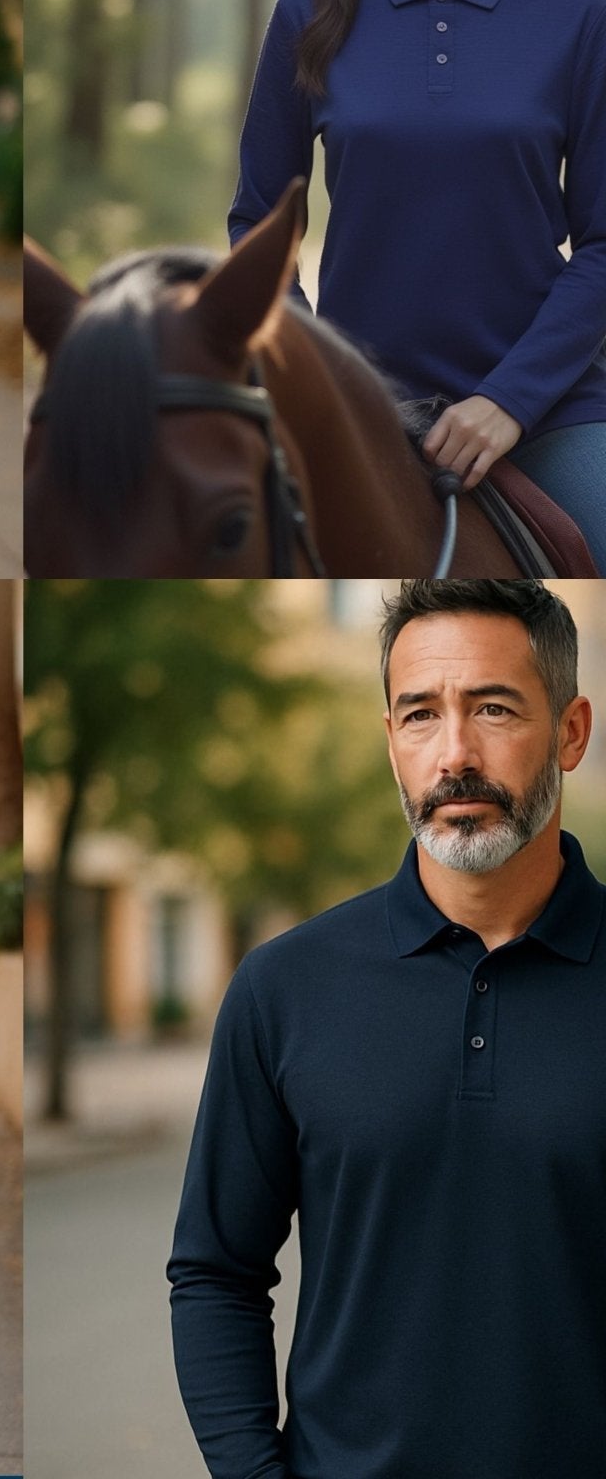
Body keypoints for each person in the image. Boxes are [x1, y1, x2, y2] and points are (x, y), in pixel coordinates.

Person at [168, 579, 606, 1478]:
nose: (455, 754)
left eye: (493, 708)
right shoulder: (284, 987)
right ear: (390, 746)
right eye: (419, 715)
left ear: (570, 732)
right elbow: (217, 1272)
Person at [230, 0, 606, 571]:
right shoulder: (309, 13)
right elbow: (261, 228)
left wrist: (508, 401)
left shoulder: (577, 20)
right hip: (362, 412)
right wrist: (315, 387)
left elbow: (604, 245)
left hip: (549, 411)